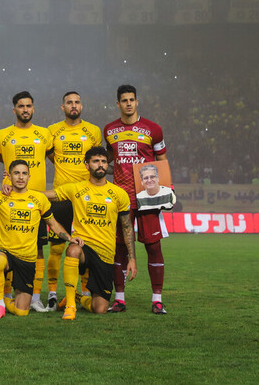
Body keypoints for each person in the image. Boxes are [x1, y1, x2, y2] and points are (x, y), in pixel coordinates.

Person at [0, 160, 79, 320]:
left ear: (29, 176)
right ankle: (0, 306)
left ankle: (3, 300)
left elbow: (52, 224)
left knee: (21, 311)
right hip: (6, 253)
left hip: (27, 259)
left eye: (24, 173)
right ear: (9, 176)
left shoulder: (39, 199)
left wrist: (70, 238)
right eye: (16, 173)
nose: (20, 177)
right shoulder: (0, 197)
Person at [43, 146, 137, 320]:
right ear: (87, 165)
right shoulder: (75, 188)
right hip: (84, 247)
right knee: (72, 249)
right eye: (96, 161)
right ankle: (70, 306)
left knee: (99, 308)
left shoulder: (119, 194)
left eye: (103, 161)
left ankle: (79, 298)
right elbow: (46, 196)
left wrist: (132, 258)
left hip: (106, 254)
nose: (100, 165)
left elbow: (127, 227)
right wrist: (18, 191)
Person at [0, 91, 53, 312]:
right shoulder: (3, 134)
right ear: (14, 110)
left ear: (33, 108)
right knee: (7, 251)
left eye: (29, 106)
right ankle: (4, 296)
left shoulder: (44, 134)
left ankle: (35, 298)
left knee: (38, 250)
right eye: (21, 106)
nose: (25, 109)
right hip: (10, 202)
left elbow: (55, 159)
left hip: (37, 202)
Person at [103, 84, 169, 314]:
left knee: (153, 246)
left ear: (137, 102)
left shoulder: (153, 129)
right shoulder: (109, 130)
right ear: (118, 104)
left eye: (132, 99)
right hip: (120, 197)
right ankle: (119, 299)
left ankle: (157, 299)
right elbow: (110, 159)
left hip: (146, 196)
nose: (128, 103)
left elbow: (161, 159)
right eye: (124, 100)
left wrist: (166, 189)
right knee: (119, 248)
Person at [45, 91, 102, 311]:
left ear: (81, 105)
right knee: (57, 248)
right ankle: (51, 294)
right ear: (63, 107)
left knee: (85, 246)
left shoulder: (93, 131)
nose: (74, 105)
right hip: (60, 195)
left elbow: (99, 158)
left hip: (85, 199)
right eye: (69, 102)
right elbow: (51, 156)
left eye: (77, 102)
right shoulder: (53, 130)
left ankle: (84, 293)